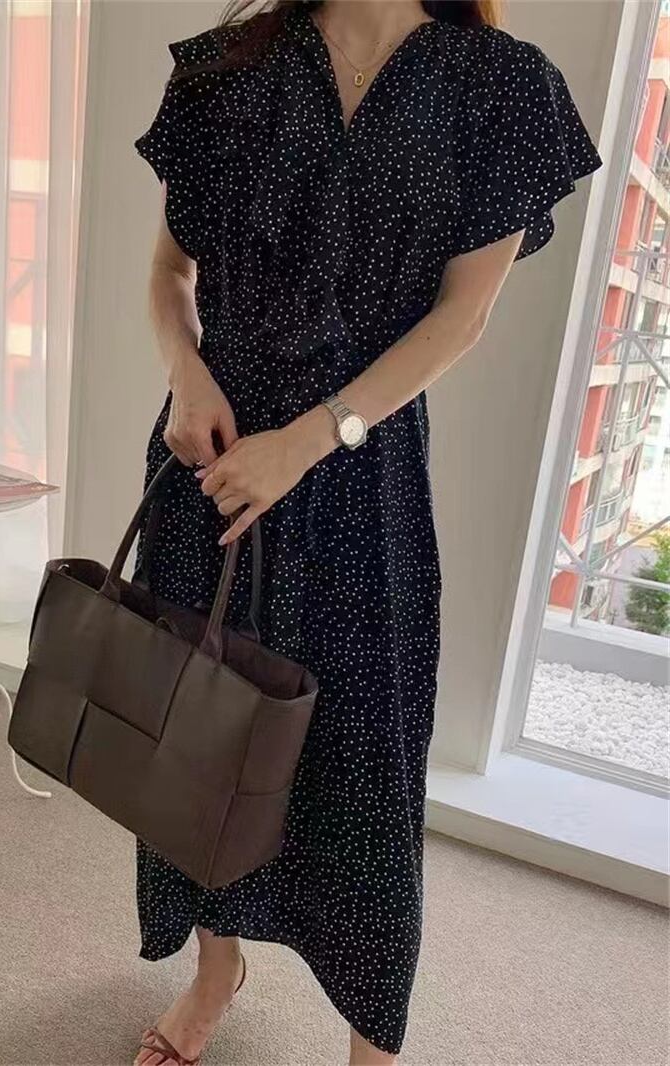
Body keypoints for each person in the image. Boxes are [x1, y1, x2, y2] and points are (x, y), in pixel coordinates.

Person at [131, 1, 603, 1063]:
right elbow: (167, 274)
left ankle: (370, 1042)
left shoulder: (501, 87)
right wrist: (184, 371)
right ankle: (214, 969)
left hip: (360, 472)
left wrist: (310, 441)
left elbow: (461, 317)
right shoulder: (229, 67)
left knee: (365, 767)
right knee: (201, 740)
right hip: (214, 459)